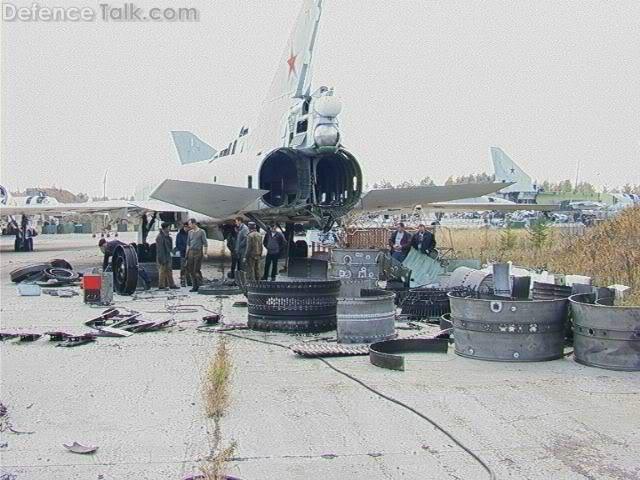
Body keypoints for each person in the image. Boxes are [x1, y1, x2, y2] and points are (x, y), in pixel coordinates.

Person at [185, 218, 208, 292]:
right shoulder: (190, 232)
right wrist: (187, 254)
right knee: (191, 270)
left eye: (190, 224)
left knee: (196, 270)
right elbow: (188, 244)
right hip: (191, 252)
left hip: (198, 252)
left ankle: (200, 284)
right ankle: (194, 286)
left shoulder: (201, 232)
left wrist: (205, 253)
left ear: (194, 223)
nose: (189, 225)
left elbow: (205, 243)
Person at [155, 222, 179, 290]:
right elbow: (160, 249)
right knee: (162, 271)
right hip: (163, 256)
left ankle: (171, 284)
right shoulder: (159, 237)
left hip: (168, 256)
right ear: (165, 228)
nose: (169, 228)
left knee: (169, 271)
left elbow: (169, 247)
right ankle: (161, 285)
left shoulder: (167, 236)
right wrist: (161, 259)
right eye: (168, 227)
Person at [175, 222, 189, 286]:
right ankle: (182, 281)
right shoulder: (180, 234)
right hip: (183, 253)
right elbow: (178, 244)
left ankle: (189, 281)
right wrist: (184, 249)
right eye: (185, 227)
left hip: (190, 253)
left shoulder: (190, 233)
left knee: (189, 267)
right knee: (183, 268)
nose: (186, 228)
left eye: (188, 227)